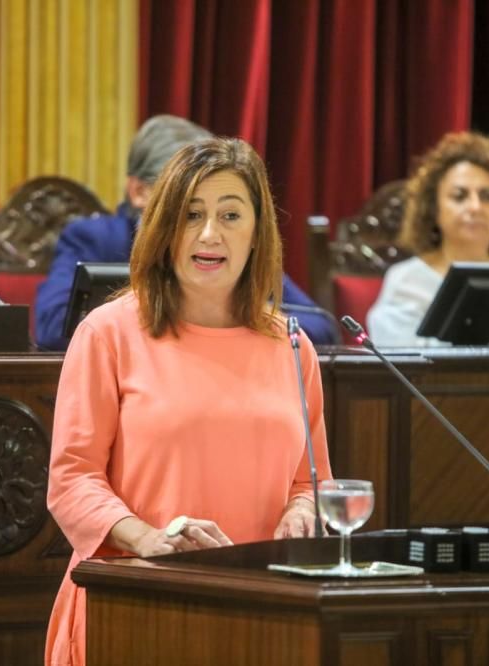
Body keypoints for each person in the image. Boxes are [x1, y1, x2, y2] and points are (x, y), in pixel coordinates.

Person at [44, 137, 333, 665]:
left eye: (230, 214)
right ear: (163, 230)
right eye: (191, 214)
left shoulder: (292, 344)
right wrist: (146, 539)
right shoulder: (108, 333)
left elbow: (310, 480)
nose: (209, 234)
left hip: (262, 610)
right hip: (135, 602)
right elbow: (72, 481)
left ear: (256, 233)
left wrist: (303, 510)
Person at [34, 114, 338, 350]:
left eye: (228, 212)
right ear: (139, 191)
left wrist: (233, 314)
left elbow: (319, 325)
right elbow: (53, 325)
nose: (209, 231)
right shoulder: (93, 238)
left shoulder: (229, 245)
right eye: (187, 204)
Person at [366, 131, 489, 348]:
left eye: (487, 197)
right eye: (459, 196)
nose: (475, 207)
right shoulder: (406, 280)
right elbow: (394, 362)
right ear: (434, 209)